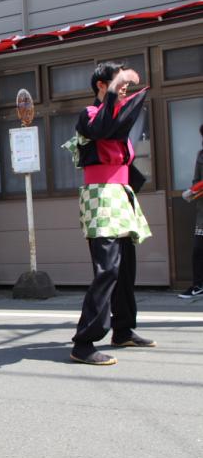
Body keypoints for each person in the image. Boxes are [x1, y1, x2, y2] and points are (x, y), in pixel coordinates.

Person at [67, 62, 156, 366]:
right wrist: (114, 94)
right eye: (117, 85)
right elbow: (102, 127)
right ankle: (83, 342)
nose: (123, 91)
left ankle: (123, 329)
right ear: (101, 87)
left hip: (119, 195)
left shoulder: (115, 117)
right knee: (107, 270)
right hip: (100, 196)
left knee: (126, 267)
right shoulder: (89, 115)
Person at [178, 125, 203, 298]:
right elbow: (197, 180)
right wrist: (192, 191)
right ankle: (199, 284)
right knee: (198, 249)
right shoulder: (201, 155)